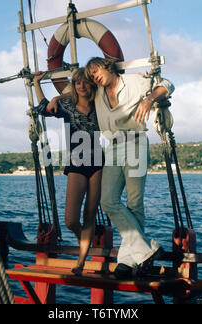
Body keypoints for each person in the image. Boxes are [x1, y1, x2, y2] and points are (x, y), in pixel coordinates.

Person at [84, 57, 175, 279]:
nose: (95, 76)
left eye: (96, 71)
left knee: (134, 203)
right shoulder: (97, 93)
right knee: (108, 201)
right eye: (91, 75)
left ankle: (127, 261)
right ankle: (146, 249)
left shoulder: (134, 81)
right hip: (113, 149)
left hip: (135, 143)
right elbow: (74, 90)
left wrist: (149, 100)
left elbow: (168, 84)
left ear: (107, 66)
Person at [33, 68, 103, 275]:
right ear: (74, 85)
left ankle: (81, 262)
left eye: (85, 82)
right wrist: (38, 83)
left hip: (98, 163)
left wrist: (59, 94)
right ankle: (85, 242)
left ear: (91, 85)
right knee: (71, 220)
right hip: (76, 164)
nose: (82, 86)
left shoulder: (100, 104)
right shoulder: (67, 105)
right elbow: (43, 108)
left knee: (89, 215)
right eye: (77, 82)